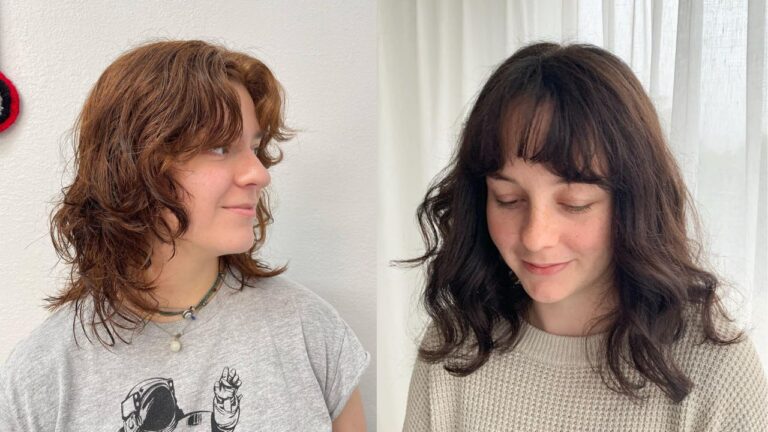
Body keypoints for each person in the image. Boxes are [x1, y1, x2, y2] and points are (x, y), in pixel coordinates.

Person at [0, 40, 369, 432]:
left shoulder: (307, 330)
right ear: (134, 165)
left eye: (255, 147)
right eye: (220, 147)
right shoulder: (43, 377)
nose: (259, 173)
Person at [402, 42, 768, 431]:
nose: (536, 237)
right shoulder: (455, 346)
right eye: (508, 199)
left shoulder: (714, 372)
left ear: (633, 204)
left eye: (575, 203)